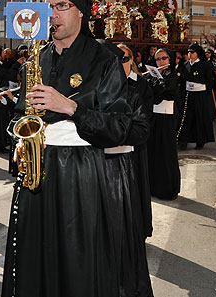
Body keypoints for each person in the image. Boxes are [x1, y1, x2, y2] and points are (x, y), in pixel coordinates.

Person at [1, 0, 132, 297]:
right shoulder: (36, 59)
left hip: (81, 175)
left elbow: (120, 126)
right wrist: (20, 141)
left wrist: (71, 107)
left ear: (81, 12)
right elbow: (19, 115)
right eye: (48, 7)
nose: (54, 14)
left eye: (62, 6)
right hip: (36, 174)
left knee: (78, 264)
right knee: (33, 261)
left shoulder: (104, 59)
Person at [98, 41, 153, 296]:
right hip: (88, 171)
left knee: (119, 234)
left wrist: (106, 132)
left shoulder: (131, 92)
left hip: (118, 170)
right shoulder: (84, 91)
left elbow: (141, 130)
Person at [148, 47, 181, 200]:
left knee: (166, 152)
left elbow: (161, 92)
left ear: (170, 59)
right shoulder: (154, 76)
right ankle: (154, 186)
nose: (161, 61)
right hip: (154, 117)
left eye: (164, 58)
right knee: (154, 151)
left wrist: (156, 83)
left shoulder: (172, 75)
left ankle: (168, 188)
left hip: (167, 118)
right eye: (158, 59)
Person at [177, 43, 215, 150]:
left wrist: (204, 94)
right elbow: (183, 80)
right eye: (188, 52)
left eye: (192, 52)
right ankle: (183, 140)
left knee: (200, 117)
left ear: (197, 53)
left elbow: (209, 81)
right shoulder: (185, 65)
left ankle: (200, 140)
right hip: (188, 94)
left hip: (200, 95)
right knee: (186, 117)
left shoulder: (204, 65)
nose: (190, 54)